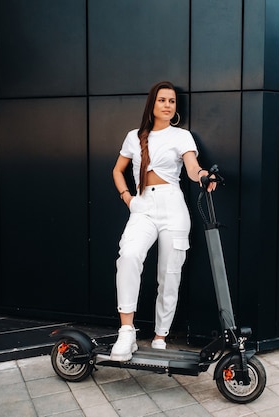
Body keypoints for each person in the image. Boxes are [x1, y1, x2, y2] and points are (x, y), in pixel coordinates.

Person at [110, 81, 216, 361]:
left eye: (172, 101)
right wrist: (128, 197)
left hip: (173, 206)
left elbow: (192, 167)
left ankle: (160, 337)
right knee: (129, 256)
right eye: (162, 100)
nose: (168, 105)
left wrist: (203, 176)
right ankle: (127, 332)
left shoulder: (182, 136)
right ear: (152, 105)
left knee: (170, 275)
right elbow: (117, 170)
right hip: (143, 206)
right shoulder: (134, 137)